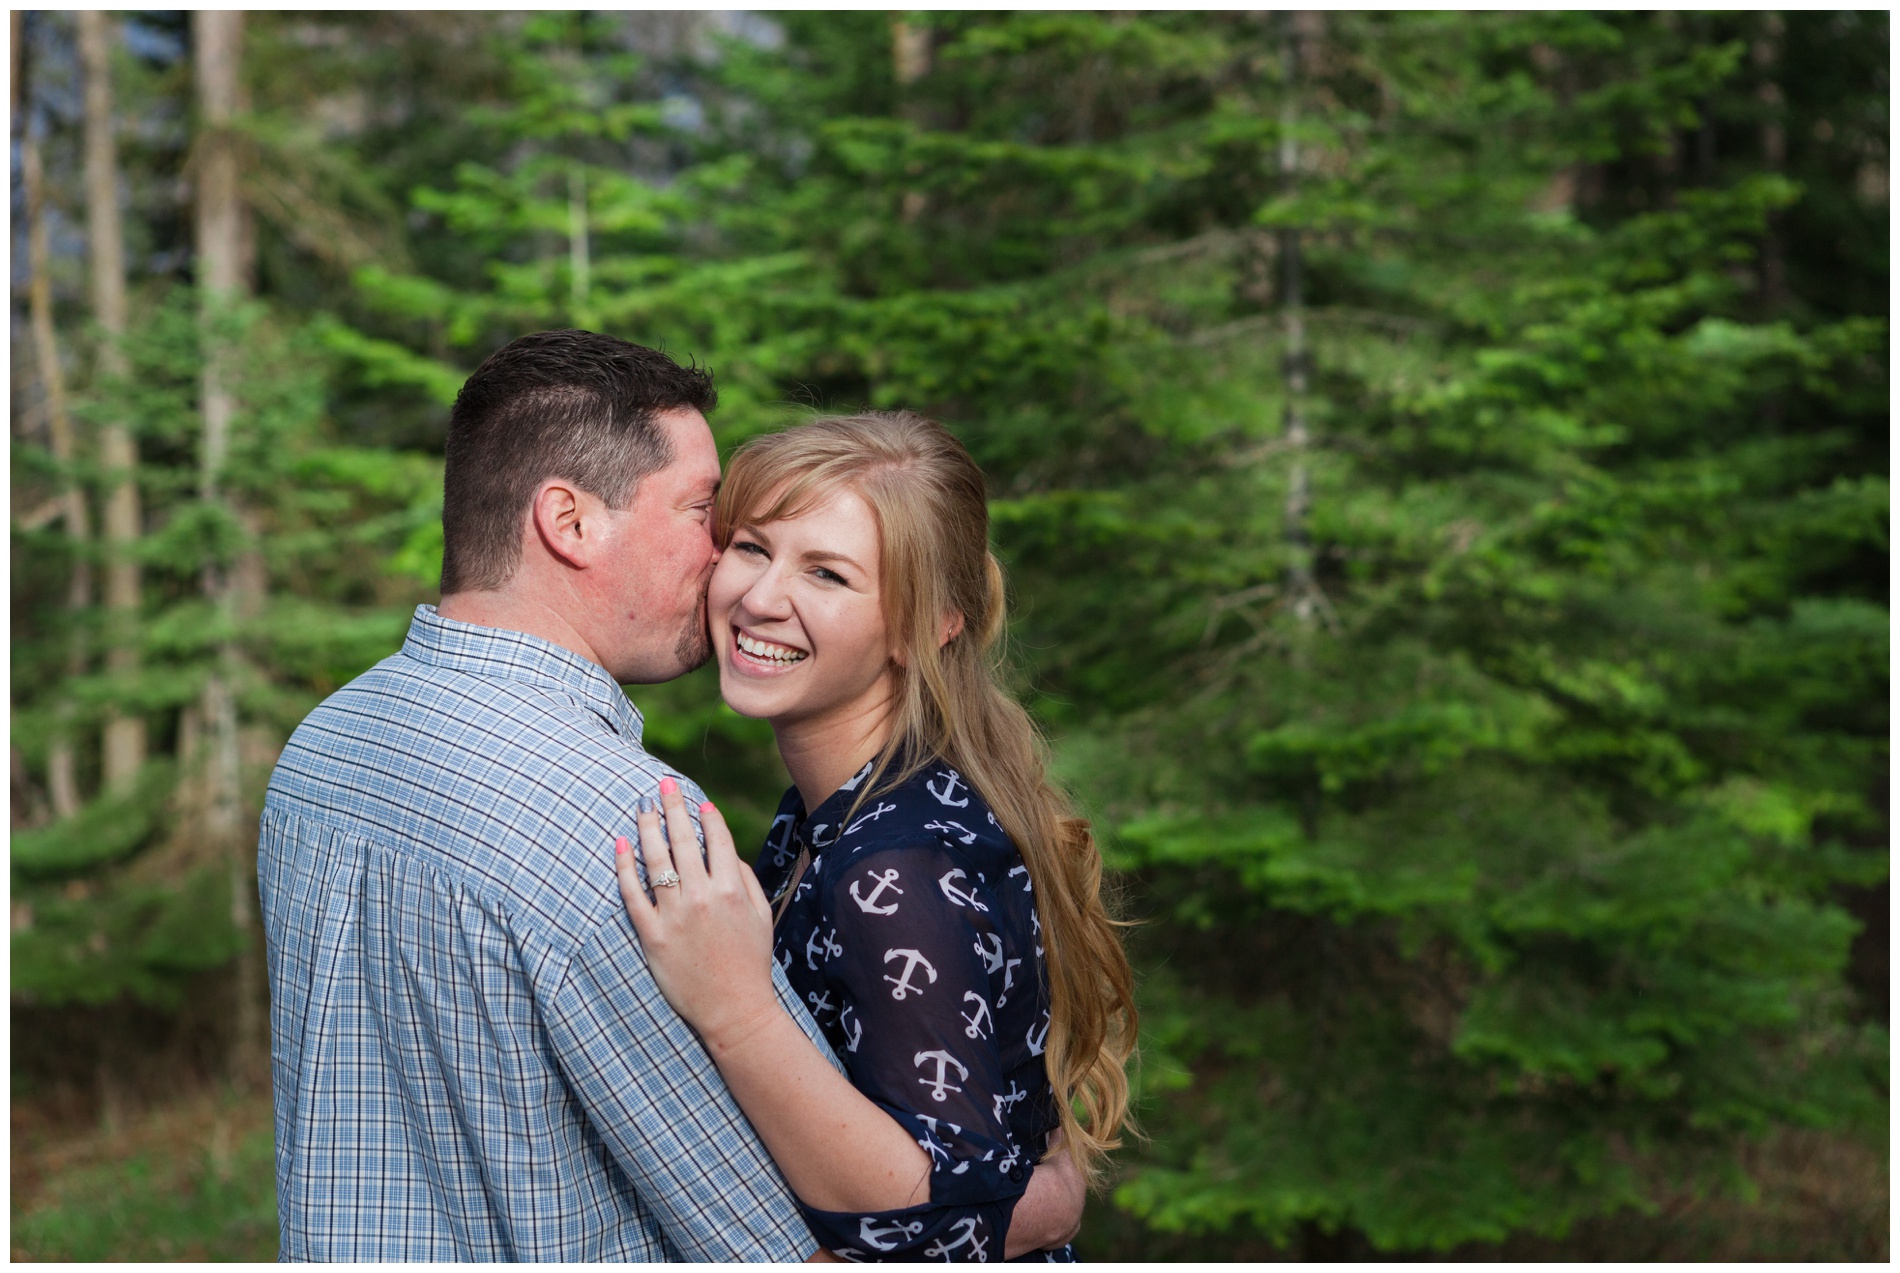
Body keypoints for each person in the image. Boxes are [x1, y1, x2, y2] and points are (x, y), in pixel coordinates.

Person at [258, 331, 1081, 1260]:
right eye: (714, 517)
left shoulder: (322, 747)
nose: (730, 566)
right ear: (569, 522)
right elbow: (792, 1251)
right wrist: (1047, 1199)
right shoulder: (633, 831)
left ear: (925, 626)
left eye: (825, 570)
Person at [615, 412, 1139, 1262]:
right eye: (751, 547)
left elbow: (941, 1223)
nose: (761, 596)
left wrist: (734, 1007)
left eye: (826, 572)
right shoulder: (835, 816)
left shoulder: (897, 859)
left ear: (925, 625)